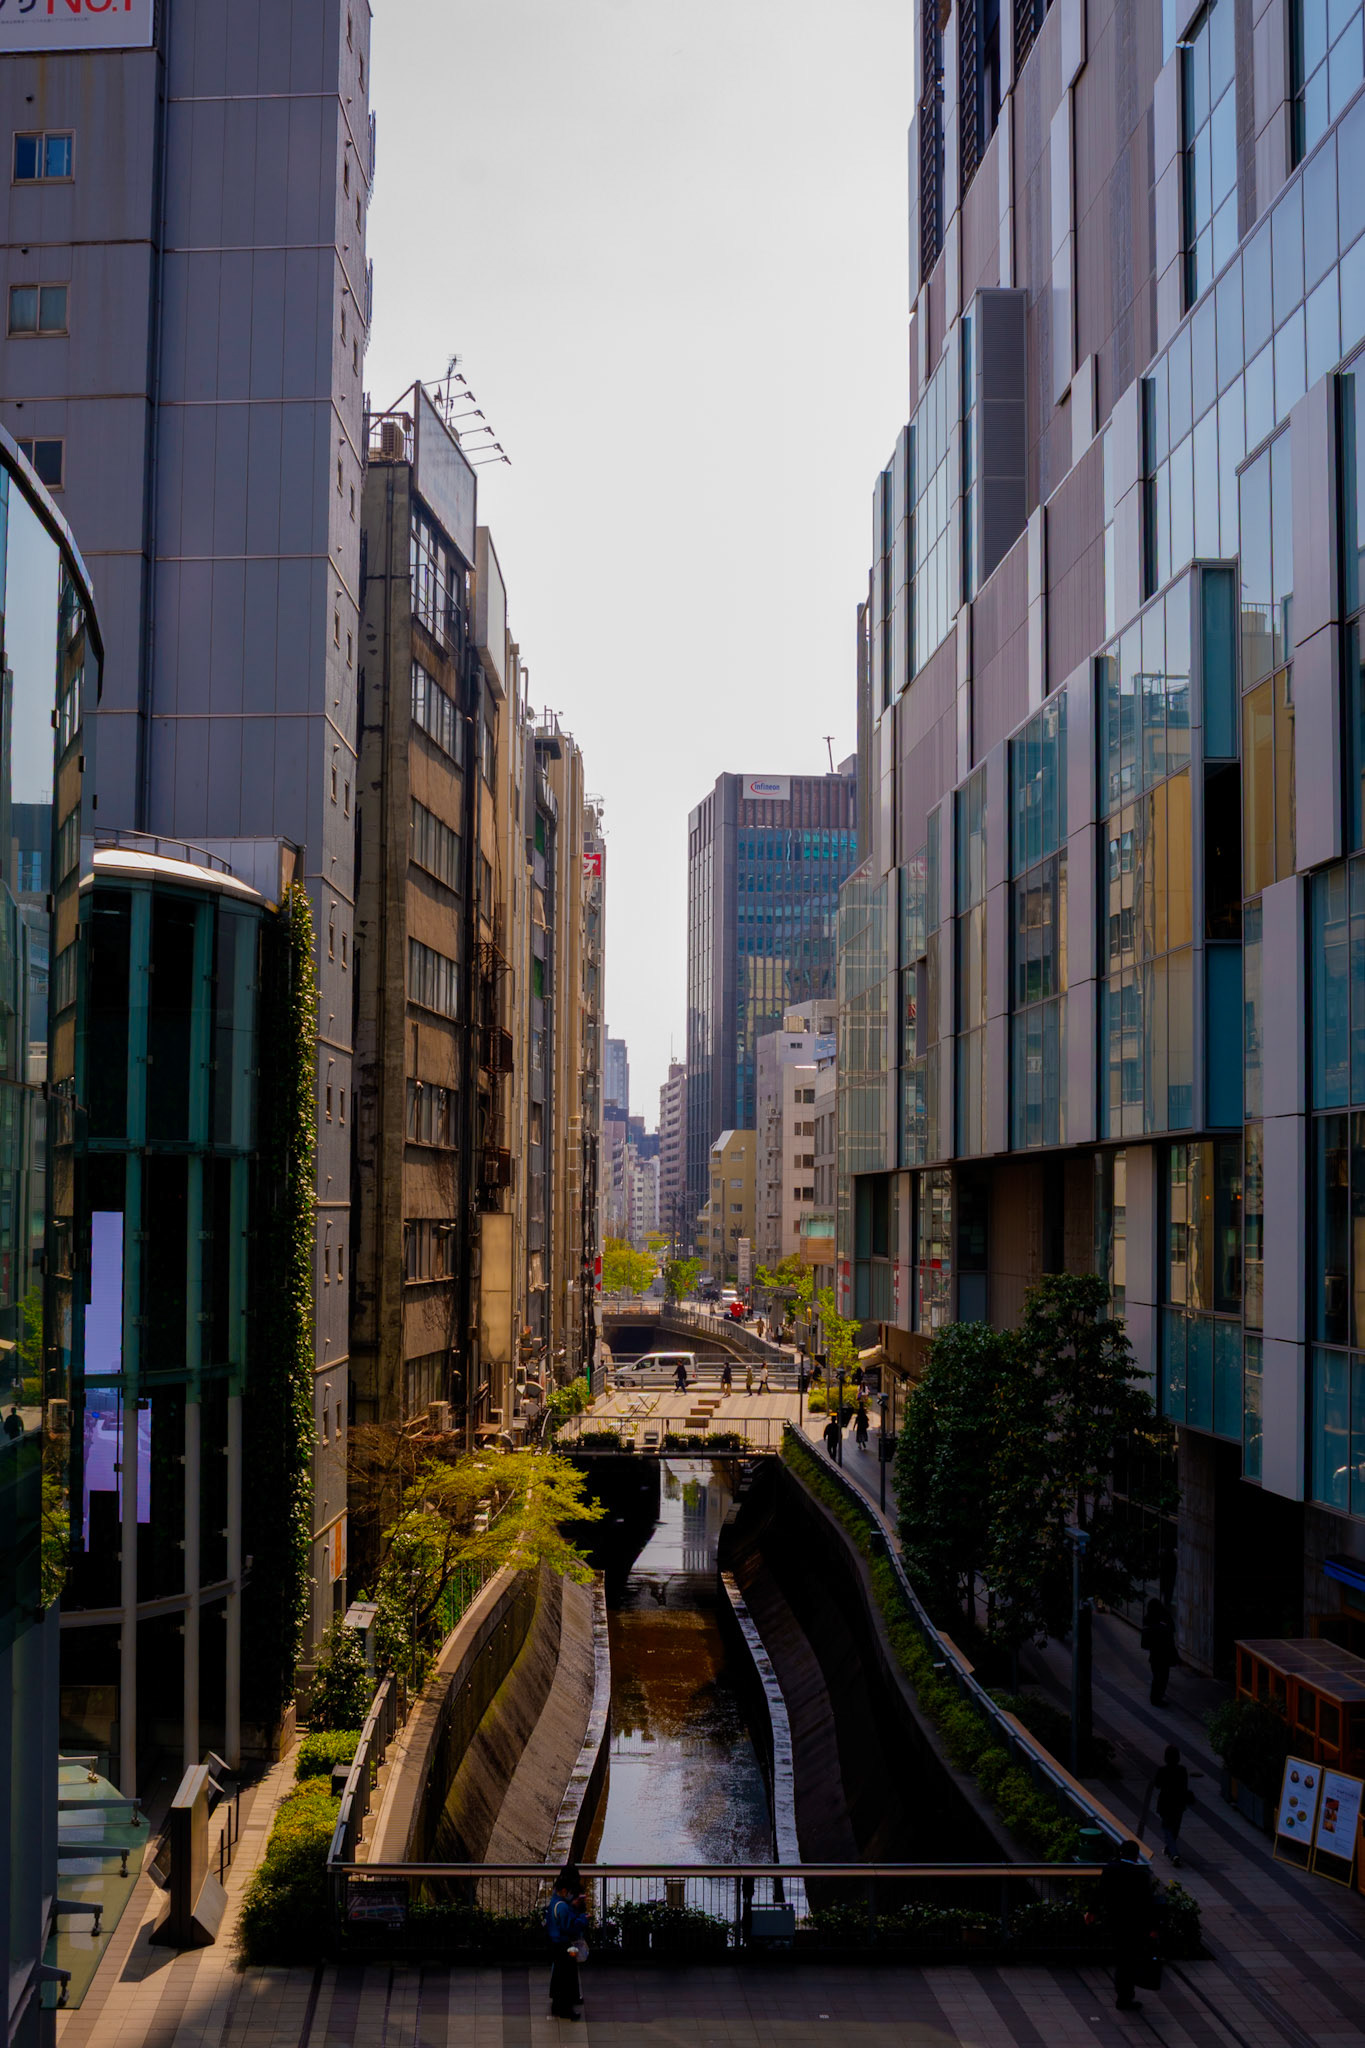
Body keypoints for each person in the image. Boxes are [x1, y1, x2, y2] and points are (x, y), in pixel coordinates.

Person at [1092, 1840, 1162, 2013]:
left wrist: (1091, 1911)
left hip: (1114, 1922)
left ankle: (1123, 1993)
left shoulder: (1110, 1869)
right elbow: (1148, 1903)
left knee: (1122, 1958)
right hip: (1135, 1926)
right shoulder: (1141, 1875)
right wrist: (1153, 1927)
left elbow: (1100, 1892)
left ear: (1121, 1853)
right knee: (1128, 1961)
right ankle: (1124, 1996)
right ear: (1136, 1857)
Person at [546, 1866, 590, 2020]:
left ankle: (558, 2006)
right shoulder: (563, 1907)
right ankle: (566, 2010)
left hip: (556, 1944)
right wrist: (583, 1919)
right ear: (565, 1891)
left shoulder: (556, 1903)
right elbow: (570, 1927)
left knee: (560, 1976)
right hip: (565, 1945)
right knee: (566, 1977)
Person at [1153, 1743, 1192, 1866]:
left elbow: (1157, 1784)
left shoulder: (1162, 1770)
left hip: (1165, 1803)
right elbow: (1185, 1786)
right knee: (1175, 1828)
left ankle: (1174, 1853)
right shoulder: (1182, 1770)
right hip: (1179, 1803)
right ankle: (1170, 1849)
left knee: (1167, 1828)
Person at [1141, 1598, 1178, 1707]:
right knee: (1162, 1677)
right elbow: (1171, 1633)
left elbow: (1146, 1641)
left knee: (1157, 1677)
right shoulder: (1164, 1618)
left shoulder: (1148, 1619)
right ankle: (1157, 1698)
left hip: (1155, 1654)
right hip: (1164, 1654)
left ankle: (1156, 1698)